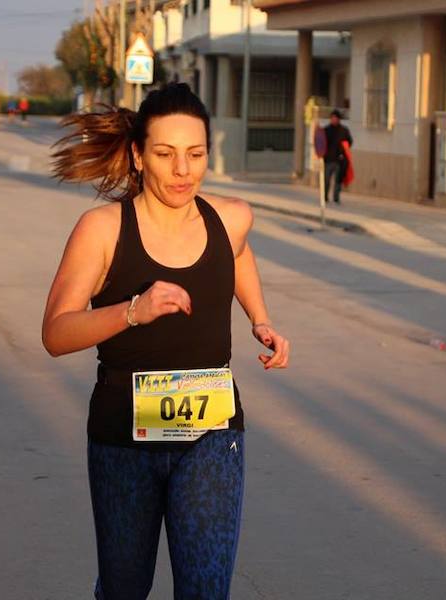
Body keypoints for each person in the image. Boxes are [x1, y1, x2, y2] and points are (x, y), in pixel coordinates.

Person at [43, 83, 290, 600]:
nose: (183, 170)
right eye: (165, 154)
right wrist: (135, 310)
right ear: (138, 155)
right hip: (122, 438)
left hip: (211, 435)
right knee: (124, 588)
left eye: (196, 154)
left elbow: (237, 254)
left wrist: (260, 319)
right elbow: (57, 333)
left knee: (205, 590)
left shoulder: (232, 216)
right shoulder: (103, 230)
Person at [323, 109, 352, 204]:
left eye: (335, 118)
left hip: (340, 160)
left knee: (338, 180)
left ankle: (336, 197)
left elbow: (349, 142)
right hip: (328, 159)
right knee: (326, 179)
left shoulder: (344, 131)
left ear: (339, 119)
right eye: (332, 118)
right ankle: (325, 197)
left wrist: (343, 151)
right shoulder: (326, 130)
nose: (334, 120)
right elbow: (321, 143)